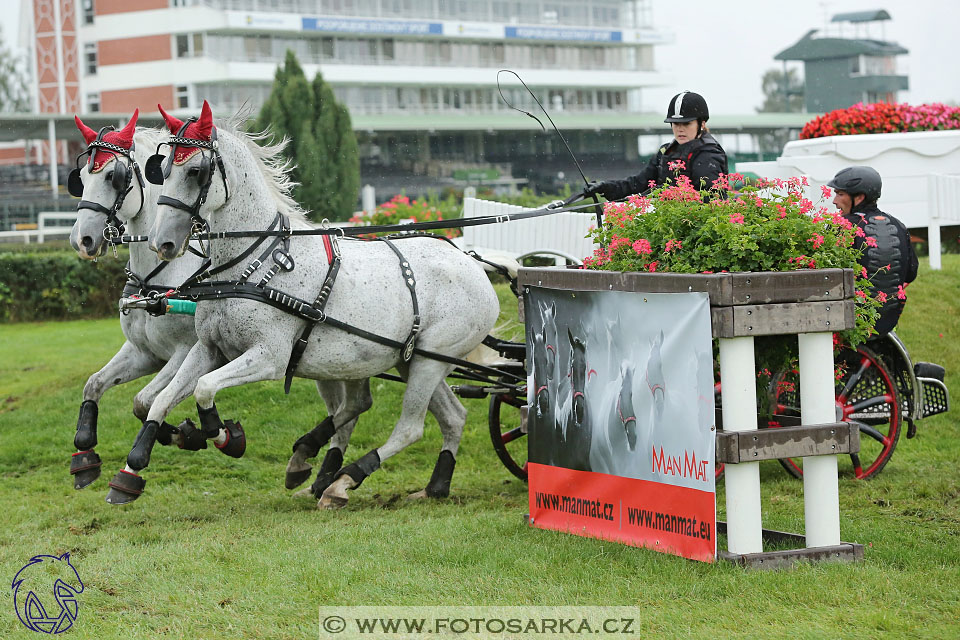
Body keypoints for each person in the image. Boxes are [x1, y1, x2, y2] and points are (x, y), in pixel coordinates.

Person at [584, 91, 728, 200]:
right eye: (676, 123)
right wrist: (606, 187)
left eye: (686, 123)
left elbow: (712, 200)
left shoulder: (709, 154)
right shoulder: (666, 151)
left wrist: (666, 194)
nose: (680, 129)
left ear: (702, 124)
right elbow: (638, 184)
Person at [829, 166, 919, 337]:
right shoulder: (898, 225)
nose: (834, 201)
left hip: (848, 322)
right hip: (887, 322)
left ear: (859, 197)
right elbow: (910, 274)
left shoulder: (842, 226)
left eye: (840, 194)